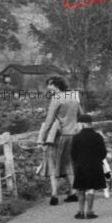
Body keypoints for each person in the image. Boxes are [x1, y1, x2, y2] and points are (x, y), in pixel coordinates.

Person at [37, 76, 83, 205]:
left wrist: (41, 138)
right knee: (68, 162)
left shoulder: (56, 98)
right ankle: (73, 192)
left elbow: (49, 121)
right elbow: (81, 115)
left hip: (59, 135)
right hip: (73, 135)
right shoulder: (73, 96)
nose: (48, 88)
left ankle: (54, 195)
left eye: (49, 85)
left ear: (55, 84)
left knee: (52, 163)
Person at [71, 113, 107, 219]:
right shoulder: (97, 136)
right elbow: (103, 152)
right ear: (90, 124)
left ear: (82, 124)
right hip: (94, 165)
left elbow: (73, 154)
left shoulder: (76, 137)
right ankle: (90, 211)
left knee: (80, 189)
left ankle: (81, 212)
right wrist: (97, 160)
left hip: (80, 166)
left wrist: (77, 162)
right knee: (90, 188)